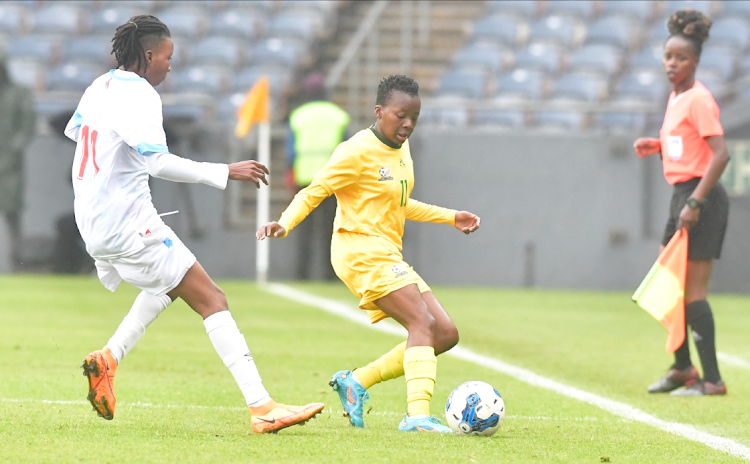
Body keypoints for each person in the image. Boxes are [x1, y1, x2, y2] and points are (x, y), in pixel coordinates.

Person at [67, 15, 323, 433]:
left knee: (166, 287)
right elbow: (157, 162)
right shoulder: (142, 95)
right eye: (168, 57)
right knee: (211, 298)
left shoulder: (99, 86)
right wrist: (224, 171)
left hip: (93, 222)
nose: (171, 65)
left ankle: (108, 359)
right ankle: (262, 407)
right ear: (149, 56)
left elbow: (81, 138)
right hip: (128, 223)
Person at [257, 75, 481, 432]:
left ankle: (356, 382)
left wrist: (450, 217)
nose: (408, 124)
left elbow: (400, 204)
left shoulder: (402, 150)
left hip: (386, 252)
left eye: (414, 117)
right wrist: (285, 223)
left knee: (445, 333)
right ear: (379, 112)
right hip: (359, 251)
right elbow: (315, 190)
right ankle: (418, 415)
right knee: (422, 323)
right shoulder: (356, 151)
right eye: (400, 115)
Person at [633, 9, 729, 396]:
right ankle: (682, 368)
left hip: (700, 200)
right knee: (665, 285)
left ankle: (712, 380)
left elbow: (719, 155)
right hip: (681, 196)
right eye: (668, 56)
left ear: (696, 61)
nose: (672, 64)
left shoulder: (699, 99)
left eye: (681, 58)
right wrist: (658, 146)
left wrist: (696, 203)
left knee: (692, 293)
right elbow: (687, 146)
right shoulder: (677, 97)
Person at [286, 72, 349, 280]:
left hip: (305, 180)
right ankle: (330, 275)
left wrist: (290, 172)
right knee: (331, 230)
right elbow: (347, 150)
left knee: (304, 231)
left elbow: (291, 151)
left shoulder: (298, 116)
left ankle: (301, 274)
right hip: (332, 182)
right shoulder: (339, 116)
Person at [0, 49, 36, 270]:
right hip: (8, 162)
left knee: (13, 215)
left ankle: (17, 262)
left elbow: (27, 126)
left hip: (10, 167)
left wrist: (12, 150)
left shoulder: (19, 93)